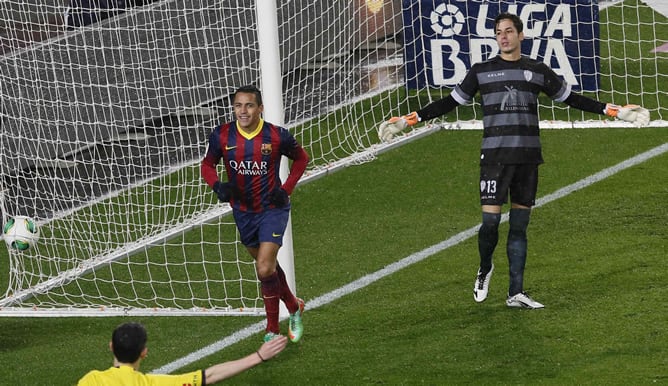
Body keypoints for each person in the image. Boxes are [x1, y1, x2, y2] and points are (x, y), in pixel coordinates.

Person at [378, 12, 650, 309]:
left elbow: (572, 99)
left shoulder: (537, 71)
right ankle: (484, 268)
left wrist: (615, 111)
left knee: (519, 227)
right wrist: (409, 120)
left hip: (527, 157)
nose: (503, 37)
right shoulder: (481, 71)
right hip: (495, 157)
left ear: (521, 35)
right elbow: (449, 103)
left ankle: (515, 293)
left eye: (508, 31)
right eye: (498, 33)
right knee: (491, 222)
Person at [201, 85, 309, 341]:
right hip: (243, 212)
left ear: (260, 108)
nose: (243, 111)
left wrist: (286, 189)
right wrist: (218, 186)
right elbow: (207, 165)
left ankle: (272, 330)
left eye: (249, 105)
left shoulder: (276, 136)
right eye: (238, 105)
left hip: (273, 208)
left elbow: (301, 158)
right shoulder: (222, 136)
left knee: (263, 267)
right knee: (267, 267)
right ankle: (294, 306)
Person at [77, 321, 288, 385]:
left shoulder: (90, 381)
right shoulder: (153, 384)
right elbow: (210, 376)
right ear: (144, 352)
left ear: (111, 346)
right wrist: (259, 356)